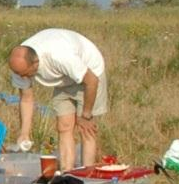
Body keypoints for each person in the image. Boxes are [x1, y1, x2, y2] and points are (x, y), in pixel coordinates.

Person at [7, 27, 107, 168]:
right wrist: (24, 133)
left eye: (25, 73)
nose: (23, 78)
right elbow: (26, 99)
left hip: (90, 73)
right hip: (63, 79)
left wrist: (86, 115)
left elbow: (92, 81)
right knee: (64, 126)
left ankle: (87, 176)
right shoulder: (19, 67)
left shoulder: (59, 56)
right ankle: (67, 174)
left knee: (86, 129)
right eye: (19, 74)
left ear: (36, 63)